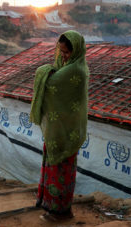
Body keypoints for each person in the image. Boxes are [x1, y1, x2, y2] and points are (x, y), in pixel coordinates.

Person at [30, 30, 89, 222]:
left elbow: (52, 85)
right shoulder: (72, 66)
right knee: (55, 169)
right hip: (59, 131)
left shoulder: (75, 71)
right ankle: (54, 207)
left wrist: (44, 70)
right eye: (61, 52)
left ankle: (60, 212)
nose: (63, 56)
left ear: (77, 50)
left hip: (66, 132)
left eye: (66, 52)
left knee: (61, 172)